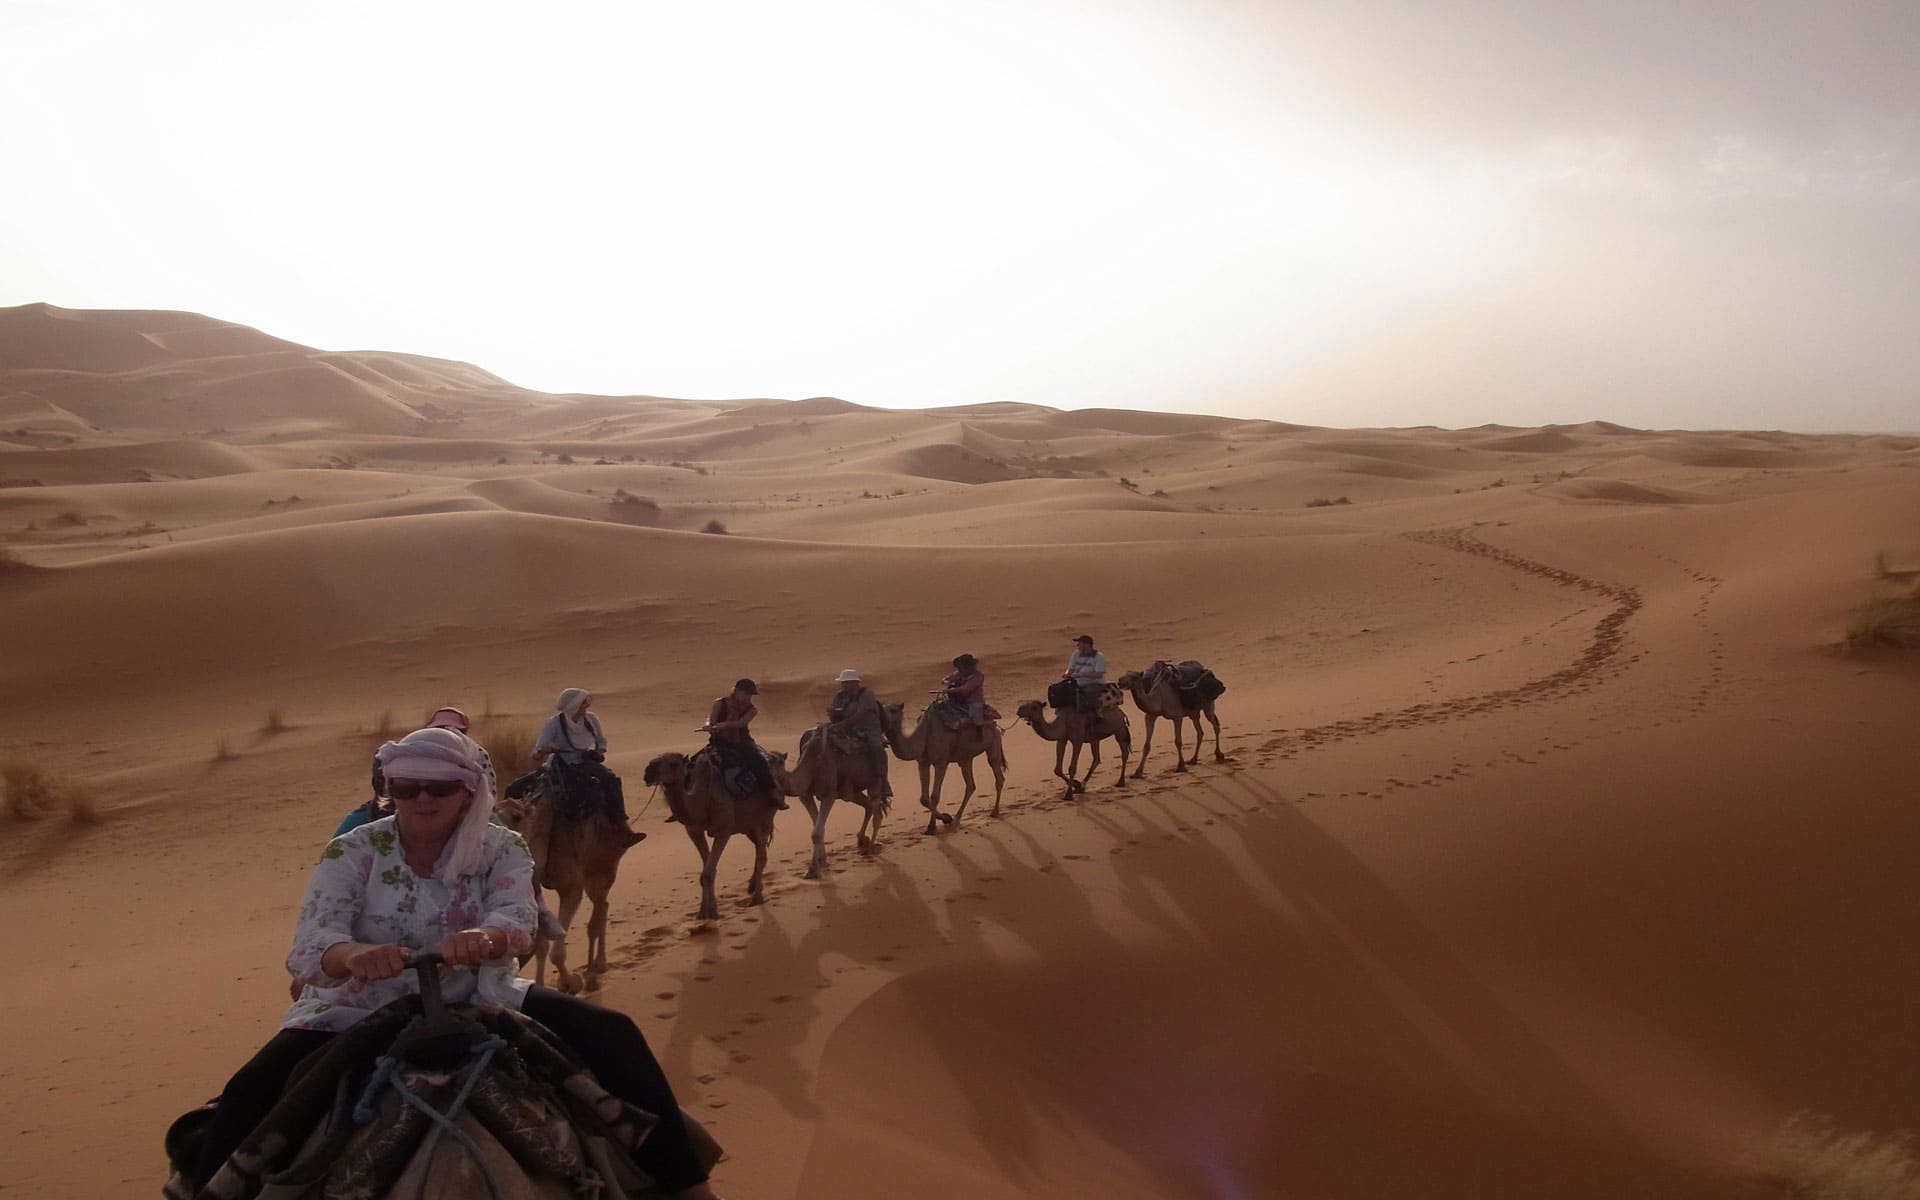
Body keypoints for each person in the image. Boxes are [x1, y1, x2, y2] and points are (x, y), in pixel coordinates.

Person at [182, 728, 723, 1198]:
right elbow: (311, 941)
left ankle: (690, 1186)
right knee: (254, 1088)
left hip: (479, 992)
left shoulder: (502, 848)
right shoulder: (352, 851)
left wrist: (484, 937)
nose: (422, 799)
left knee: (615, 1034)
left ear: (469, 790)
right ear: (390, 791)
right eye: (406, 788)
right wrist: (352, 956)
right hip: (355, 1006)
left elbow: (518, 918)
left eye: (438, 787)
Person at [337, 705, 477, 837]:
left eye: (441, 788)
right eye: (405, 788)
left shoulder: (491, 842)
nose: (424, 798)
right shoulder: (404, 752)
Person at [533, 687, 641, 843]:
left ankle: (621, 824)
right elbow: (538, 750)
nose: (587, 706)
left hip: (588, 761)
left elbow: (601, 741)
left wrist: (599, 751)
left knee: (611, 780)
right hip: (564, 764)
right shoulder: (554, 724)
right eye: (584, 703)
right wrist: (545, 750)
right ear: (574, 706)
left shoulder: (591, 719)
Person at [703, 678, 786, 810]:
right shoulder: (719, 703)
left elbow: (741, 723)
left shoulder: (752, 709)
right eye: (746, 694)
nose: (748, 697)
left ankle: (772, 793)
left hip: (742, 743)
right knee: (694, 764)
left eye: (750, 695)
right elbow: (711, 719)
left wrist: (725, 725)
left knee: (759, 762)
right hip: (719, 743)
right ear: (736, 692)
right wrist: (708, 726)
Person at [825, 668, 890, 799]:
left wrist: (843, 724)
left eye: (845, 682)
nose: (842, 685)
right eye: (842, 682)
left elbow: (861, 713)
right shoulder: (840, 696)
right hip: (847, 729)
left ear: (854, 683)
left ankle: (883, 781)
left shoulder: (867, 694)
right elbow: (835, 712)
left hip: (868, 729)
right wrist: (833, 715)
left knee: (876, 747)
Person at [1064, 634, 1108, 712]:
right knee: (1061, 691)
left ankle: (1097, 712)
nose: (1077, 646)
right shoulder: (1076, 654)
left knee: (1086, 693)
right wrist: (1067, 674)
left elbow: (1099, 674)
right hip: (1078, 683)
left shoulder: (1099, 657)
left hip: (1095, 684)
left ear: (1086, 645)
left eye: (1079, 644)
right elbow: (1071, 668)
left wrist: (1082, 675)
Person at [941, 654, 989, 725]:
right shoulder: (958, 674)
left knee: (976, 721)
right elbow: (945, 679)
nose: (960, 669)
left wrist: (951, 690)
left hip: (973, 702)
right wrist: (948, 682)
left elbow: (965, 689)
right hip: (957, 701)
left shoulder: (978, 676)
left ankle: (979, 733)